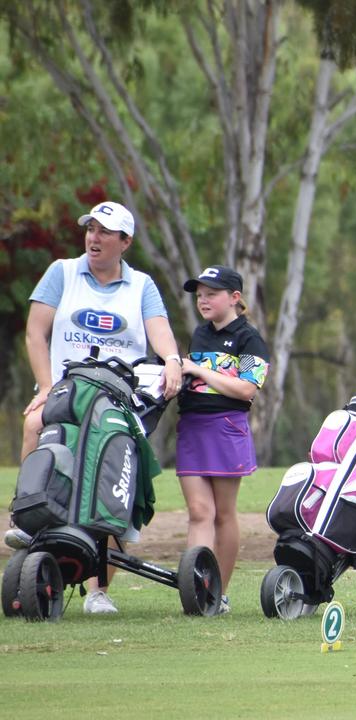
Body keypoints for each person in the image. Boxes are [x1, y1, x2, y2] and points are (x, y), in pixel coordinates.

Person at [10, 200, 183, 614]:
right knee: (35, 423)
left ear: (125, 241)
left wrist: (173, 360)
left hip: (120, 396)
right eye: (91, 229)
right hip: (66, 389)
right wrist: (45, 387)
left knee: (110, 461)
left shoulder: (141, 285)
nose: (94, 237)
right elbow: (36, 335)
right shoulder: (62, 272)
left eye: (105, 232)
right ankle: (24, 516)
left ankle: (98, 590)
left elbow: (160, 334)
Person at [175, 265, 269, 616]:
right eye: (199, 295)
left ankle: (219, 593)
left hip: (226, 426)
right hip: (192, 427)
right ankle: (197, 591)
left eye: (211, 294)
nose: (203, 300)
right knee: (199, 512)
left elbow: (247, 389)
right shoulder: (199, 335)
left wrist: (199, 370)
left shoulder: (249, 339)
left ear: (234, 298)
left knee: (223, 514)